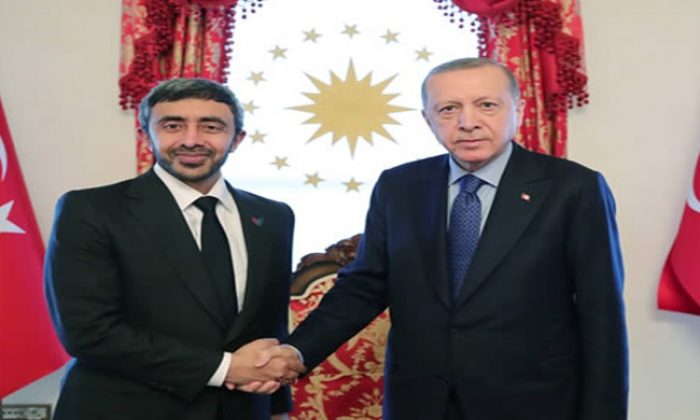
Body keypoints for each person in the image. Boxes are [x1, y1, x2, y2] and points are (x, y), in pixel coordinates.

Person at [256, 57, 629, 419]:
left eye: (486, 105)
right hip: (421, 401)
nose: (468, 122)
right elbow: (365, 287)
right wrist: (297, 352)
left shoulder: (573, 188)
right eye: (448, 109)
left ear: (519, 108)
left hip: (533, 403)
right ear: (427, 119)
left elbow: (602, 315)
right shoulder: (399, 186)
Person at [44, 78, 298, 420]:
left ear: (237, 139)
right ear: (145, 134)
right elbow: (88, 333)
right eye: (173, 126)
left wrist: (277, 408)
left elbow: (269, 326)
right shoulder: (90, 210)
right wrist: (225, 368)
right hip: (123, 410)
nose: (191, 140)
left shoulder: (273, 216)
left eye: (211, 126)